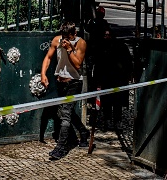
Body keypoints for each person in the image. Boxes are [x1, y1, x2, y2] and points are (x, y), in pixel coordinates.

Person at [41, 21, 90, 160]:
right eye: (64, 38)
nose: (65, 41)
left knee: (66, 113)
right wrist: (43, 74)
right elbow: (48, 57)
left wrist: (69, 50)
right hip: (60, 82)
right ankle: (83, 132)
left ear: (74, 34)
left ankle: (60, 148)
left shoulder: (81, 43)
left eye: (68, 38)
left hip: (74, 82)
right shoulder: (57, 40)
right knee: (66, 110)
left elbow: (77, 64)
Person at [94, 28, 132, 130]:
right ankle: (107, 120)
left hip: (118, 78)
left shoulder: (120, 47)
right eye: (105, 35)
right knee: (106, 101)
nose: (106, 37)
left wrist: (129, 74)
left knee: (117, 101)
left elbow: (127, 62)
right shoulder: (101, 48)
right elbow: (98, 64)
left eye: (108, 35)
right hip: (106, 78)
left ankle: (117, 120)